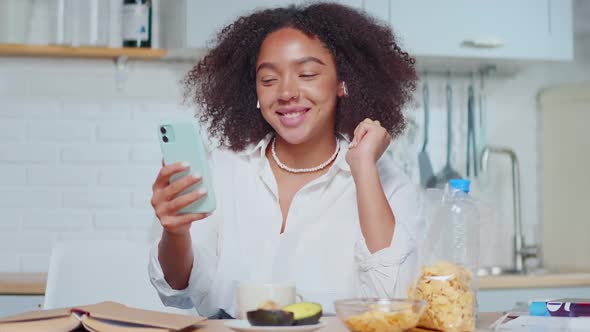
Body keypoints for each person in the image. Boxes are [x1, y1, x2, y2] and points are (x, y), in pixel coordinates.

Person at [148, 2, 419, 318]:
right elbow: (178, 289)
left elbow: (394, 301)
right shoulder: (224, 168)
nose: (287, 92)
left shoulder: (385, 180)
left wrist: (363, 170)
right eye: (268, 80)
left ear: (343, 82)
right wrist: (176, 232)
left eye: (307, 74)